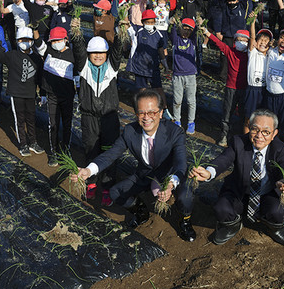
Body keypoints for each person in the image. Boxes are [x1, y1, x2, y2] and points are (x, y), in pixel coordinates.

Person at [72, 90, 194, 241]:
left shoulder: (174, 132)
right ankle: (141, 211)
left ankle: (186, 221)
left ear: (161, 113)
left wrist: (171, 183)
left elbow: (181, 163)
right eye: (141, 113)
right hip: (146, 174)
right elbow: (111, 154)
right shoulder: (130, 131)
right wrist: (88, 170)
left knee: (185, 197)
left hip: (171, 173)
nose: (146, 117)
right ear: (136, 114)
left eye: (152, 112)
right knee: (116, 192)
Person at [189, 109, 284, 247]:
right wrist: (209, 172)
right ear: (249, 127)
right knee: (221, 208)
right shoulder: (238, 142)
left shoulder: (281, 149)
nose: (259, 136)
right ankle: (232, 226)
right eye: (254, 129)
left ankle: (275, 229)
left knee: (278, 211)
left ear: (274, 133)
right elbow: (224, 159)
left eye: (266, 132)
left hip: (268, 193)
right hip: (240, 191)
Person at [77, 33, 127, 206]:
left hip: (109, 119)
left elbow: (117, 51)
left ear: (106, 54)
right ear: (88, 54)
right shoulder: (84, 67)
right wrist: (77, 35)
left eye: (101, 52)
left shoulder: (112, 68)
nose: (98, 56)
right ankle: (91, 182)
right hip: (89, 118)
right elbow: (78, 50)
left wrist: (120, 34)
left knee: (109, 152)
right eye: (93, 52)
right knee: (91, 149)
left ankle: (107, 186)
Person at [0, 26, 45, 156]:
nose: (24, 42)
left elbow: (40, 77)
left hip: (30, 93)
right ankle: (23, 144)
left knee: (31, 119)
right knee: (19, 120)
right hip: (16, 93)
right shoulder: (12, 55)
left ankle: (33, 142)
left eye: (26, 39)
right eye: (21, 40)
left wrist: (42, 93)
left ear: (32, 41)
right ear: (17, 41)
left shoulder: (37, 59)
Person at [35, 26, 84, 166]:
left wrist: (80, 97)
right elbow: (38, 42)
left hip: (67, 96)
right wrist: (43, 93)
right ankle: (53, 153)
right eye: (53, 41)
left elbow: (77, 78)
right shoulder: (49, 52)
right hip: (52, 96)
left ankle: (66, 151)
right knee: (53, 125)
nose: (55, 43)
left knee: (68, 124)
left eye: (58, 40)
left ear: (65, 40)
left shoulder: (73, 55)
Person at [204, 27, 249, 146]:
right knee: (227, 113)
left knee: (244, 114)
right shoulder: (230, 52)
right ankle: (224, 136)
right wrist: (208, 33)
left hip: (244, 89)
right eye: (239, 40)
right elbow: (219, 43)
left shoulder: (250, 55)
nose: (241, 42)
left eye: (244, 40)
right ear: (235, 41)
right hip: (231, 88)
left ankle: (241, 136)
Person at [126, 9, 170, 115]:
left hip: (153, 67)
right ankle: (141, 108)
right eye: (147, 22)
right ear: (143, 22)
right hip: (140, 66)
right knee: (141, 90)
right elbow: (128, 27)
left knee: (158, 89)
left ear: (155, 22)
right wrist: (125, 15)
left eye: (151, 22)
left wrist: (165, 63)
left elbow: (160, 50)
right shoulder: (138, 32)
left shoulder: (159, 35)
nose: (149, 24)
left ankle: (165, 110)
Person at [169, 17, 201, 134]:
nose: (186, 31)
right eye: (184, 28)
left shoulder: (192, 42)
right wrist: (173, 24)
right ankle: (177, 121)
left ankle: (191, 122)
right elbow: (172, 34)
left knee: (191, 101)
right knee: (177, 100)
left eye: (189, 29)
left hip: (191, 75)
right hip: (177, 75)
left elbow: (196, 33)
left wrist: (198, 24)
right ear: (180, 29)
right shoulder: (176, 41)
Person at [243, 21, 272, 130]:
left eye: (266, 41)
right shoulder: (252, 53)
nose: (263, 43)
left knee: (262, 118)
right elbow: (252, 36)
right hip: (252, 90)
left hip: (265, 90)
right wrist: (253, 22)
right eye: (261, 40)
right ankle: (246, 142)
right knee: (249, 119)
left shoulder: (270, 55)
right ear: (255, 42)